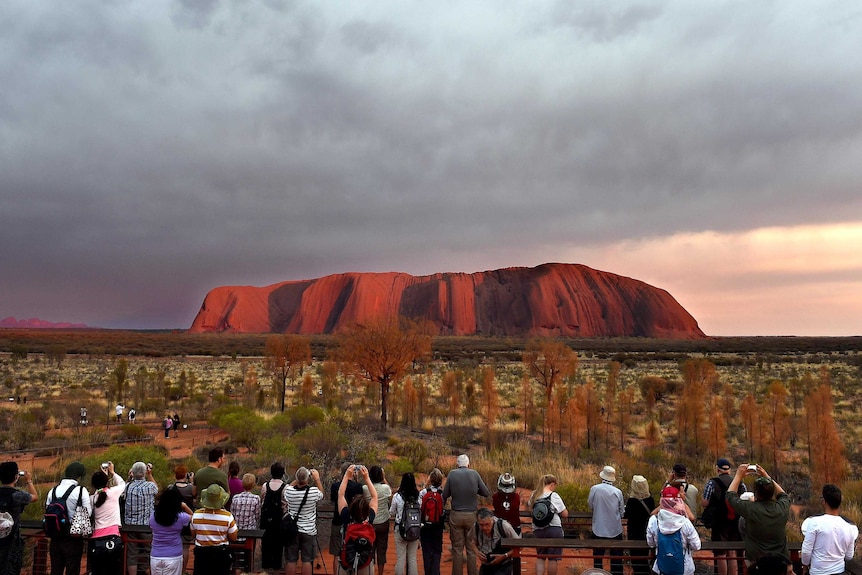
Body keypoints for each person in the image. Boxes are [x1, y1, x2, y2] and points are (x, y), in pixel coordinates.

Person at [726, 464, 791, 565]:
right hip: (780, 561)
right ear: (772, 492)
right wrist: (766, 476)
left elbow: (730, 496)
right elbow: (783, 495)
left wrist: (738, 475)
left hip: (757, 562)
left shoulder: (751, 509)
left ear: (756, 494)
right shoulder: (782, 508)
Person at [443, 454, 490, 575]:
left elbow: (445, 494)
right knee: (471, 548)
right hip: (471, 516)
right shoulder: (474, 474)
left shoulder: (452, 474)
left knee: (457, 549)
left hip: (456, 515)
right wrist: (474, 489)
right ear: (469, 464)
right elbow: (485, 492)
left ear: (457, 464)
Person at [45, 462, 92, 575]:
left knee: (55, 570)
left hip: (55, 538)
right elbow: (88, 513)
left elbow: (47, 510)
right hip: (73, 538)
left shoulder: (53, 491)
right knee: (73, 569)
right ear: (79, 475)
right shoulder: (81, 490)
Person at [801, 484, 858, 575]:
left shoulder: (814, 522)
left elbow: (806, 551)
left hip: (818, 572)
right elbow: (849, 556)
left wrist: (805, 566)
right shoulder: (850, 527)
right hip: (839, 571)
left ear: (824, 501)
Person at [702, 458, 746, 575]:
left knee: (721, 553)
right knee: (732, 551)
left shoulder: (712, 483)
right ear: (730, 470)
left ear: (717, 469)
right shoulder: (740, 483)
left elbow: (704, 503)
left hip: (719, 521)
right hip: (736, 521)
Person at [646, 485, 701, 575]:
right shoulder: (685, 522)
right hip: (685, 568)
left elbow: (650, 543)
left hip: (661, 567)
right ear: (677, 501)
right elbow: (697, 546)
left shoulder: (654, 521)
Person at [284, 467, 325, 575]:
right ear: (308, 479)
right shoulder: (313, 492)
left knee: (291, 559)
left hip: (293, 531)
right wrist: (317, 479)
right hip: (308, 530)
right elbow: (321, 494)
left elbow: (289, 486)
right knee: (307, 560)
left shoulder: (289, 492)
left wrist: (299, 478)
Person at [338, 465, 378, 575]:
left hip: (347, 560)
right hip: (365, 561)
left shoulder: (347, 516)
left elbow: (341, 495)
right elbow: (374, 497)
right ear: (366, 508)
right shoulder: (369, 517)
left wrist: (346, 476)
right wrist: (366, 478)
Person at [0, 461, 38, 575]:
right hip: (12, 542)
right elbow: (35, 497)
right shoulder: (18, 495)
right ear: (16, 477)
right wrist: (29, 480)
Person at [190, 484, 238, 575]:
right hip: (221, 556)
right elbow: (233, 537)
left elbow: (193, 534)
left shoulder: (196, 515)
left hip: (201, 556)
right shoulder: (227, 516)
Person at [89, 463, 126, 575]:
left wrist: (104, 478)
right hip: (113, 538)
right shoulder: (113, 493)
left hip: (96, 540)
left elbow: (100, 492)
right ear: (106, 482)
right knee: (113, 570)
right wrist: (112, 472)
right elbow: (122, 483)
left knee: (98, 570)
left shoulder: (92, 498)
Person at [528, 474, 568, 575]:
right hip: (553, 528)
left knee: (540, 557)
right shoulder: (553, 495)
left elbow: (531, 510)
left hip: (538, 529)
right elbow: (565, 514)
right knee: (553, 559)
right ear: (552, 484)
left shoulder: (534, 495)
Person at [588, 465, 624, 575]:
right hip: (615, 529)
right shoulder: (617, 492)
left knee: (598, 557)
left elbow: (590, 505)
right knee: (616, 558)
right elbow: (621, 511)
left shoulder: (594, 489)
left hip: (598, 528)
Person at [150, 485, 194, 575]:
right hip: (173, 556)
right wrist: (185, 506)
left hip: (155, 556)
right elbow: (194, 517)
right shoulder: (180, 517)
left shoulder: (153, 516)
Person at [331, 462, 365, 575]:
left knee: (337, 552)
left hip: (337, 520)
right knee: (352, 548)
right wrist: (357, 480)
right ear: (353, 472)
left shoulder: (335, 486)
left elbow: (334, 499)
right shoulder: (357, 486)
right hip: (352, 523)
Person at [125, 461, 159, 575]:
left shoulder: (128, 486)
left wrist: (129, 478)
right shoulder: (150, 486)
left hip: (131, 527)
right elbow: (157, 489)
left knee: (131, 554)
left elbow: (122, 492)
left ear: (132, 473)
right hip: (146, 526)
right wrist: (150, 474)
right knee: (150, 551)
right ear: (145, 472)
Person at [624, 475, 655, 575]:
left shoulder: (632, 501)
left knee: (635, 558)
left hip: (634, 532)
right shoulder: (650, 500)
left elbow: (626, 515)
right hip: (646, 531)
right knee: (644, 556)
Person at [260, 462, 288, 572]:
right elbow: (286, 504)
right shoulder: (285, 487)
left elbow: (262, 500)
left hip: (266, 521)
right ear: (282, 473)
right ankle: (276, 567)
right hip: (279, 521)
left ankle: (265, 567)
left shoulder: (264, 486)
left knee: (266, 544)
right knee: (278, 545)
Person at [390, 473, 421, 575]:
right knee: (412, 558)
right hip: (414, 528)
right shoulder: (418, 496)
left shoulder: (397, 496)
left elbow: (392, 512)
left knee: (401, 558)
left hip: (400, 529)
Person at [364, 466, 391, 575]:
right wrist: (384, 478)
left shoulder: (365, 488)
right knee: (382, 549)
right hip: (383, 522)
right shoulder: (385, 488)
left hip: (370, 523)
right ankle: (380, 572)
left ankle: (370, 571)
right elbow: (390, 492)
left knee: (370, 549)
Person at [475, 508, 519, 575]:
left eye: (487, 524)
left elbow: (519, 545)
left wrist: (504, 556)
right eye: (481, 525)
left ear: (492, 520)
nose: (484, 528)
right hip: (486, 565)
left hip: (503, 565)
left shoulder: (504, 526)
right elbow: (471, 541)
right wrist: (477, 552)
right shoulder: (476, 527)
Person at [419, 468, 446, 575]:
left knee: (426, 550)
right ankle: (435, 572)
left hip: (425, 525)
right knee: (436, 550)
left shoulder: (424, 492)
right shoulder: (442, 494)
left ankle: (428, 572)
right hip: (438, 525)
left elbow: (420, 507)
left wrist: (426, 484)